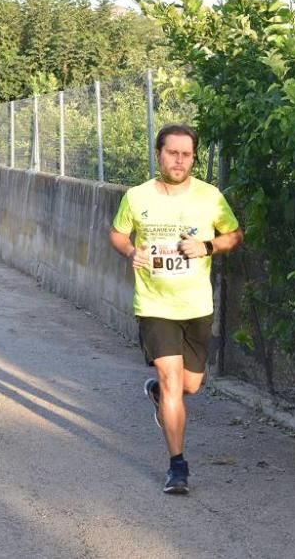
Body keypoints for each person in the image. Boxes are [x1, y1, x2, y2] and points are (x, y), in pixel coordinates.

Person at [109, 124, 243, 494]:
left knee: (191, 385)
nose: (179, 160)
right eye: (173, 153)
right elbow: (118, 233)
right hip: (154, 304)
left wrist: (209, 246)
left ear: (193, 158)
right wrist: (130, 251)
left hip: (196, 305)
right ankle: (177, 467)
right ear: (159, 155)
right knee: (171, 380)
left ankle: (158, 395)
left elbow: (235, 234)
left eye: (186, 154)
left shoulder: (210, 197)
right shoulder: (137, 197)